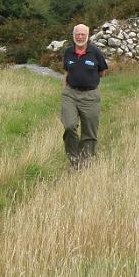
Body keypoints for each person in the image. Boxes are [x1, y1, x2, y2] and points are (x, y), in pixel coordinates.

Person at [61, 23, 108, 170]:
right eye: (77, 34)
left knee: (89, 131)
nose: (80, 37)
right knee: (69, 126)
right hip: (70, 94)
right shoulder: (68, 52)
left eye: (83, 34)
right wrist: (65, 89)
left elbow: (102, 72)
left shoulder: (95, 52)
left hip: (90, 96)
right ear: (73, 35)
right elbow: (66, 71)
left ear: (88, 36)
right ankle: (73, 159)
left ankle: (85, 160)